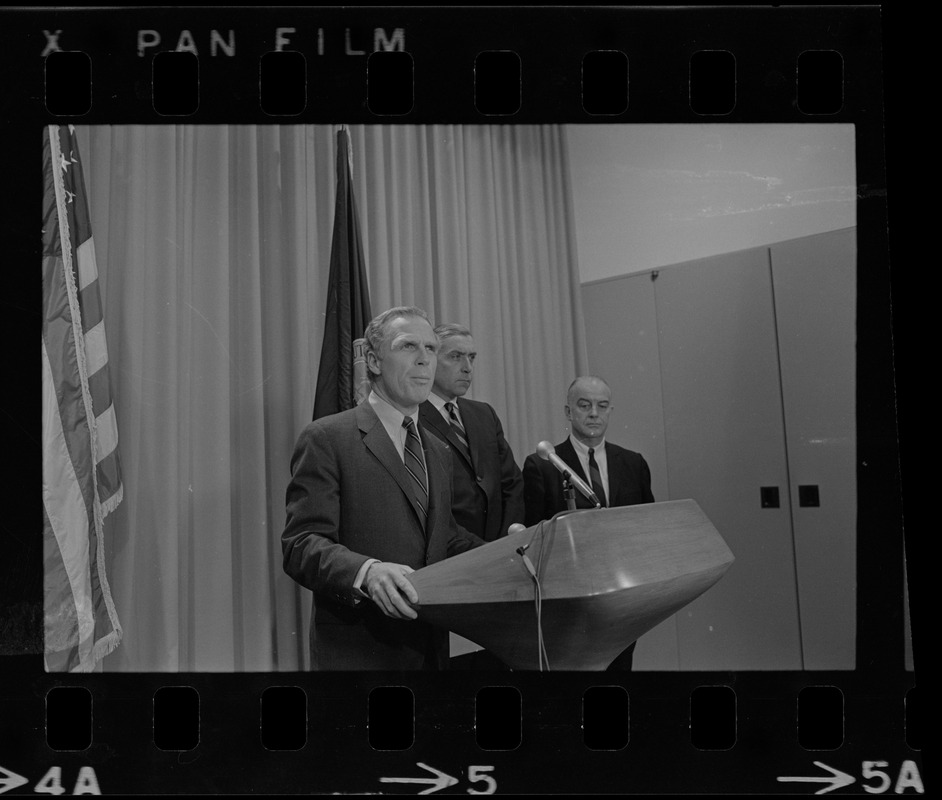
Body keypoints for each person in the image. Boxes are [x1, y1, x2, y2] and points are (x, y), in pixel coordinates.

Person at [282, 306, 483, 670]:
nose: (425, 360)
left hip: (431, 654)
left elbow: (445, 539)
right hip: (359, 656)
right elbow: (302, 543)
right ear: (373, 361)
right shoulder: (328, 437)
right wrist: (368, 572)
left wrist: (518, 552)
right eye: (408, 347)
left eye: (431, 349)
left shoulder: (437, 449)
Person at [522, 375, 654, 670]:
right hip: (569, 603)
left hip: (623, 599)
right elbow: (535, 535)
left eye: (602, 406)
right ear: (569, 412)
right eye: (584, 405)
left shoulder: (634, 463)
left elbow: (648, 527)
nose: (594, 413)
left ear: (610, 411)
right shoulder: (544, 464)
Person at [419, 324, 525, 543]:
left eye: (472, 357)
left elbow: (512, 484)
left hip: (499, 546)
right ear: (431, 361)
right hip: (449, 552)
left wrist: (505, 542)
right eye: (455, 357)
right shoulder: (413, 417)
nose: (467, 367)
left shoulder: (483, 414)